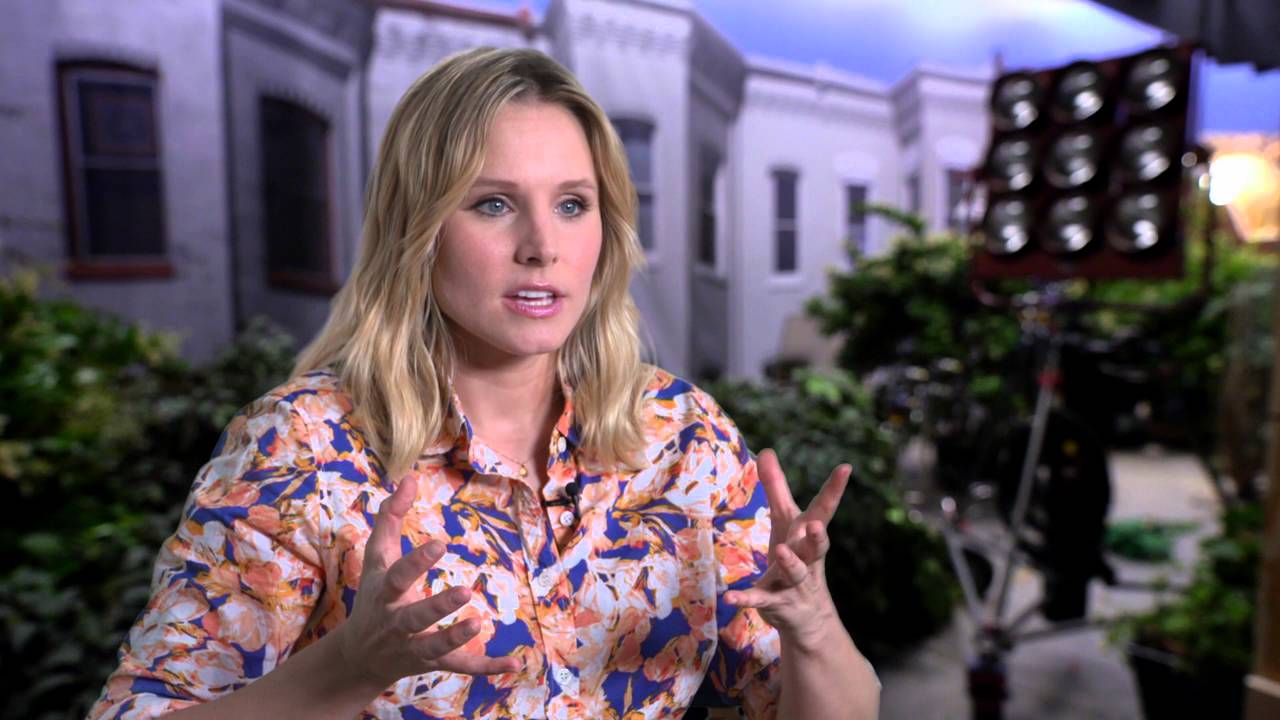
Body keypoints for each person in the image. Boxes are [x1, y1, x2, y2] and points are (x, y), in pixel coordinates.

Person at [87, 47, 880, 720]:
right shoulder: (300, 449)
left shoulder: (683, 436)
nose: (542, 246)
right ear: (419, 227)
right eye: (494, 204)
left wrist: (812, 625)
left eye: (572, 204)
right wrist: (349, 667)